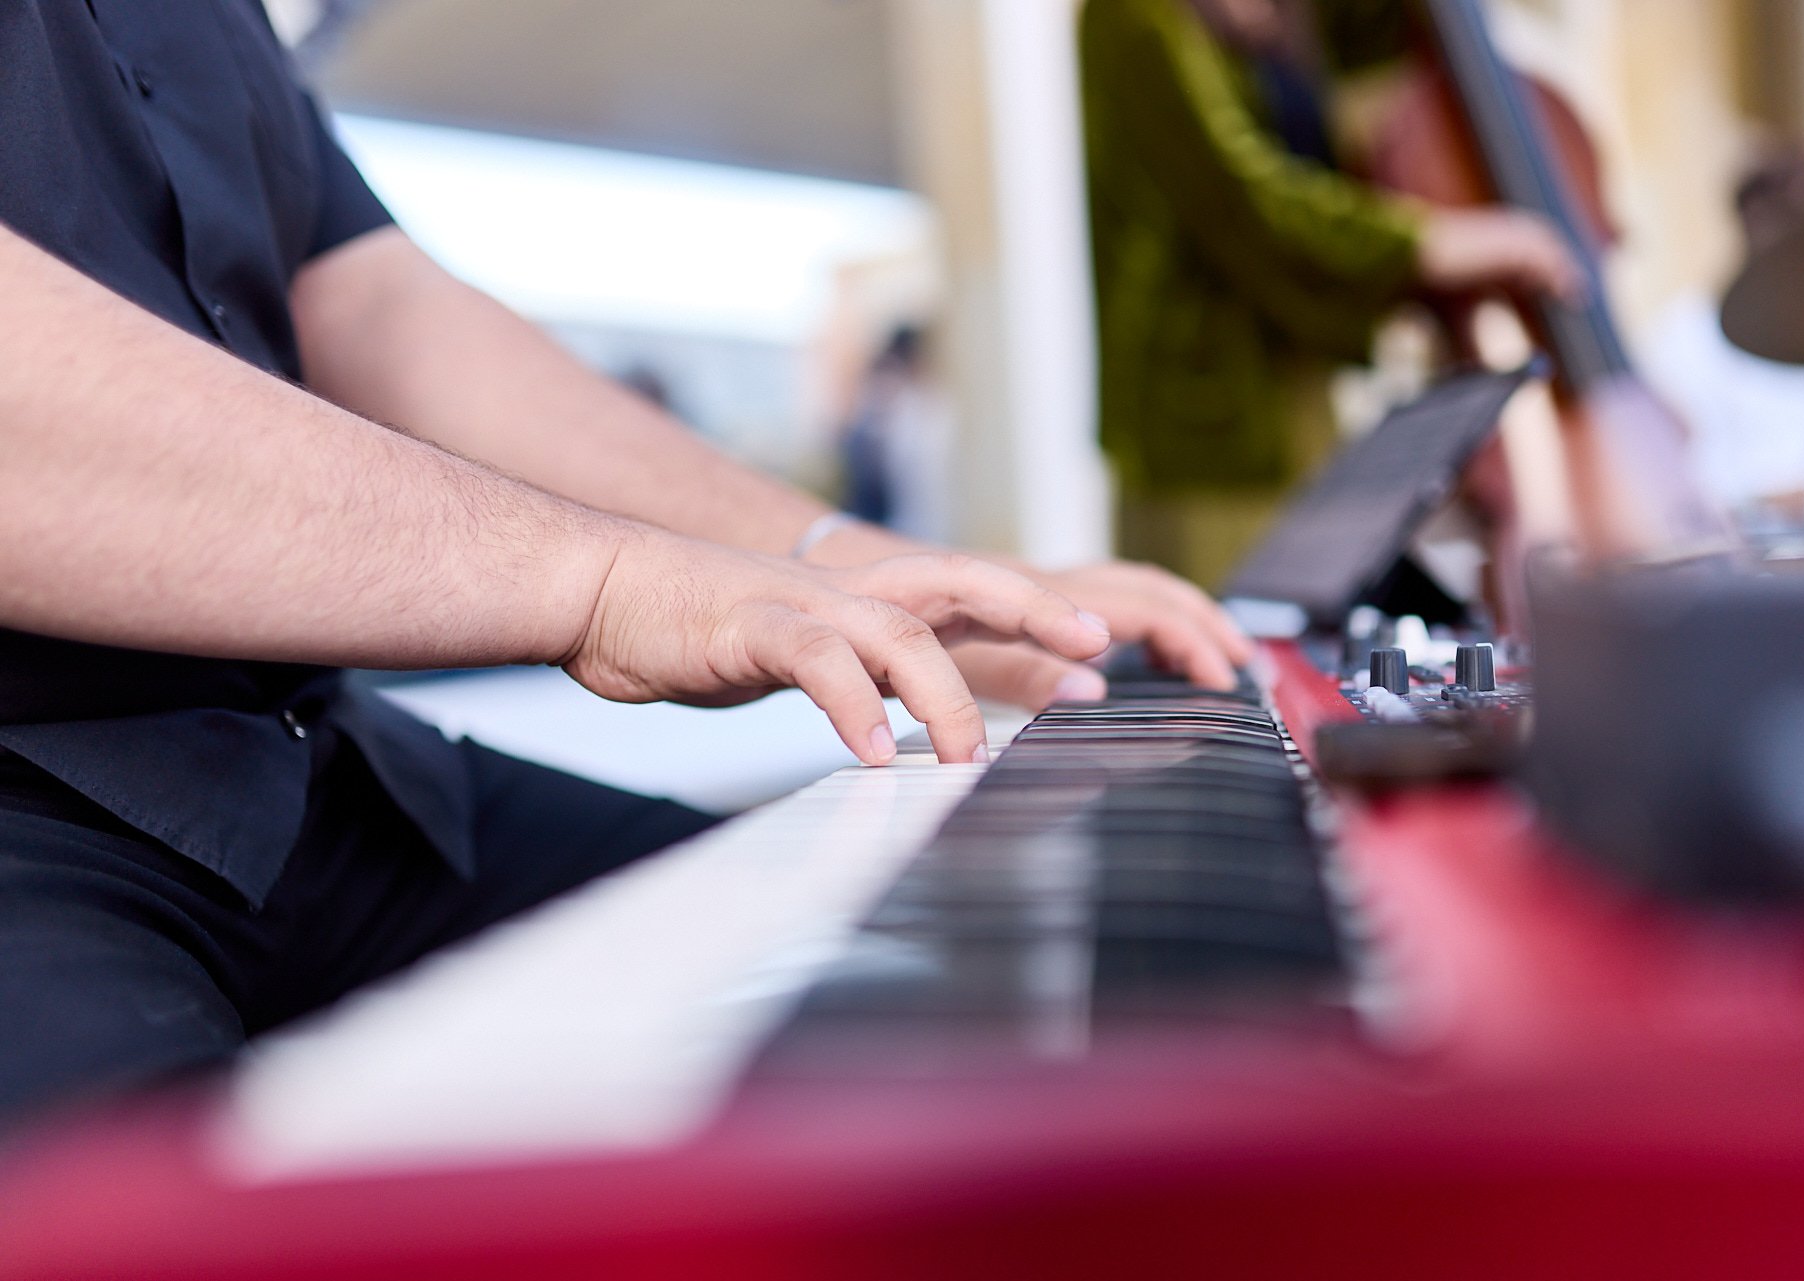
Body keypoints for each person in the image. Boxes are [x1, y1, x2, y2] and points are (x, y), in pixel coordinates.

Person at [0, 1, 1250, 1124]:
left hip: (304, 774)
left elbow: (372, 306)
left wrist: (863, 566)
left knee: (950, 997)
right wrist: (598, 582)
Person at [1080, 0, 1582, 588]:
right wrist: (1431, 243)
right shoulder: (1135, 15)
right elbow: (1244, 204)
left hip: (1303, 392)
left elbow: (1390, 38)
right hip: (1210, 420)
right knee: (1243, 651)